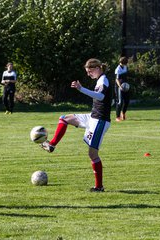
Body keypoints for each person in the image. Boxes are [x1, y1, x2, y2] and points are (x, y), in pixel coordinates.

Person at [40, 58, 112, 192]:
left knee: (93, 155)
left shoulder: (103, 79)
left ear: (97, 68)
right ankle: (52, 145)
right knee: (65, 118)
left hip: (100, 122)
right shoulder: (100, 79)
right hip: (93, 117)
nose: (88, 74)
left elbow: (101, 97)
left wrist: (81, 89)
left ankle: (99, 187)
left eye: (89, 71)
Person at [114, 56, 130, 122]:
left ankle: (123, 114)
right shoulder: (118, 69)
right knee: (120, 102)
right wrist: (120, 86)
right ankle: (117, 117)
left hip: (126, 86)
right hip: (119, 87)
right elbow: (117, 79)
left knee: (127, 101)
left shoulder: (125, 67)